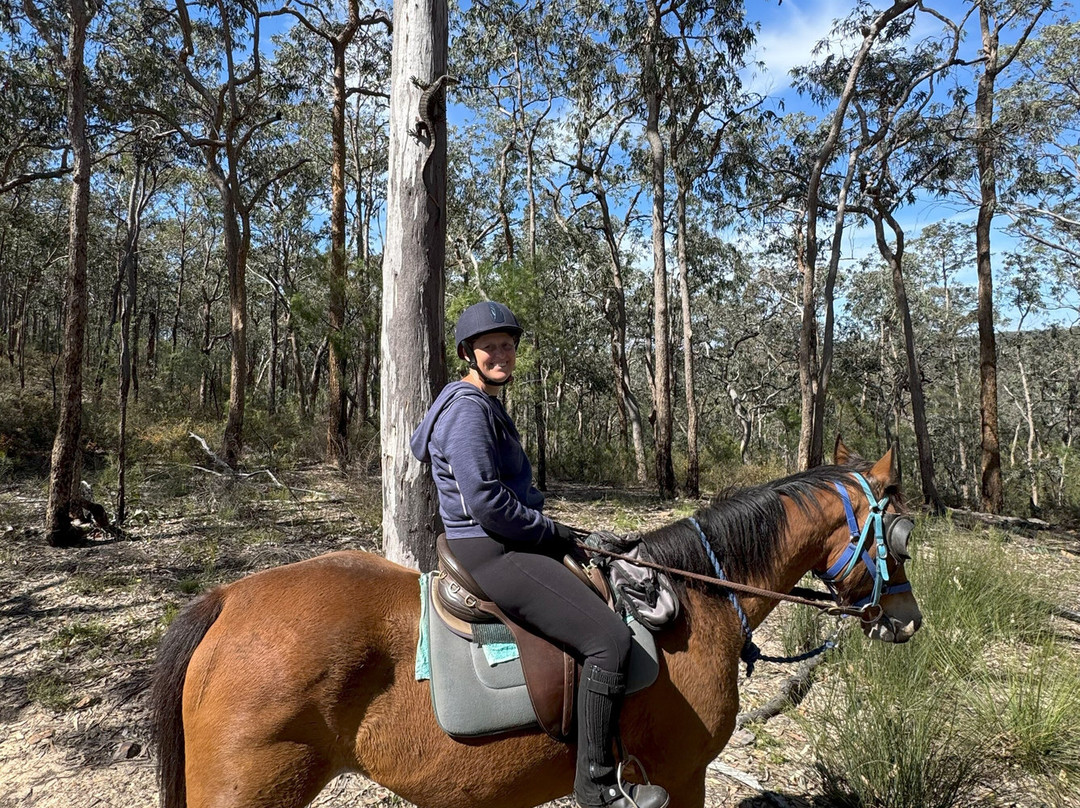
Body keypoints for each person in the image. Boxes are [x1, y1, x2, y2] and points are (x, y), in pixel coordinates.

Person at [410, 301, 669, 808]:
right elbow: (487, 504)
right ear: (468, 353)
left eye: (507, 345)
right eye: (489, 347)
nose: (501, 354)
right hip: (491, 547)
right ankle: (596, 787)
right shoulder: (467, 410)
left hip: (501, 538)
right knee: (608, 640)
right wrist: (549, 532)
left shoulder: (482, 401)